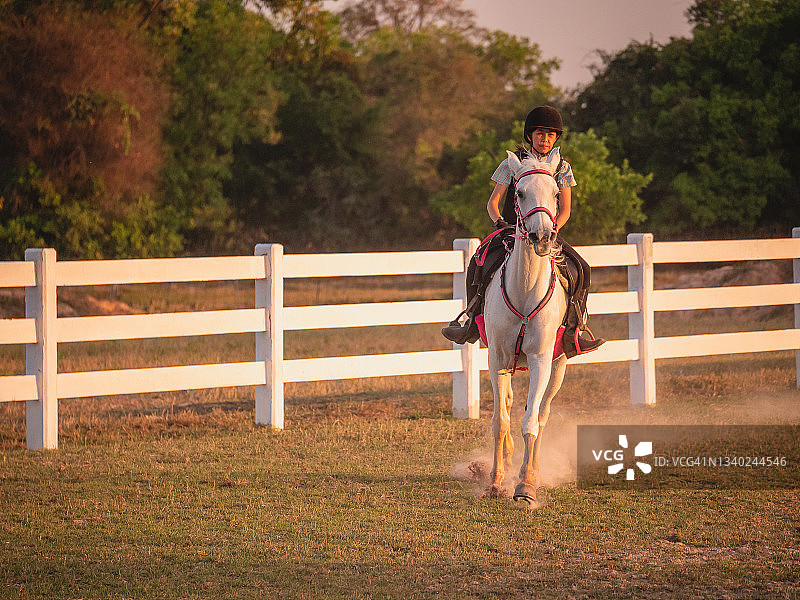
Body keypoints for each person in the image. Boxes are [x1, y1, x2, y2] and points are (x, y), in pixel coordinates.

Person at [441, 105, 604, 358]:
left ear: (556, 138)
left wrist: (551, 229)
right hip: (512, 230)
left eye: (551, 135)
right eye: (540, 134)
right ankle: (471, 321)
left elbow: (566, 209)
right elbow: (492, 203)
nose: (545, 139)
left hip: (547, 229)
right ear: (530, 135)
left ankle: (576, 329)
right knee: (478, 262)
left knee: (581, 268)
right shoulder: (512, 163)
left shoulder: (562, 167)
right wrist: (499, 224)